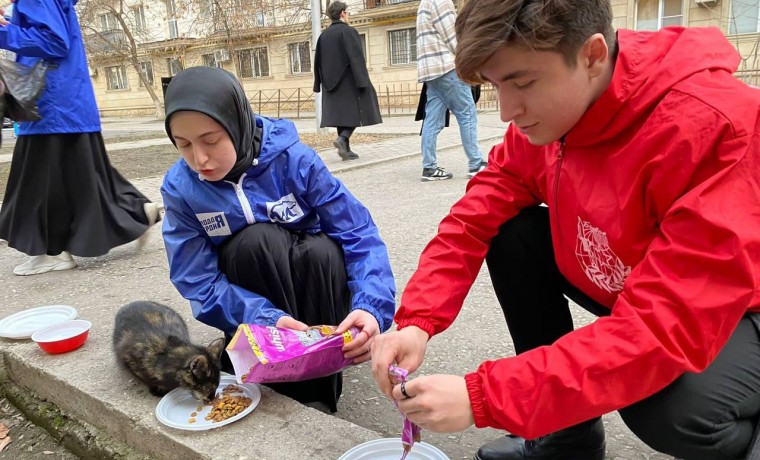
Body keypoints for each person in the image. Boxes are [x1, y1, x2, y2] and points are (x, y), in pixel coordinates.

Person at [370, 0, 760, 458]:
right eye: (497, 87)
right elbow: (470, 220)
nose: (507, 112)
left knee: (671, 407)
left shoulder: (716, 127)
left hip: (735, 306)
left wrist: (488, 398)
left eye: (523, 83)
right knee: (511, 232)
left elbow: (664, 326)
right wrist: (416, 320)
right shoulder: (554, 117)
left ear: (593, 55)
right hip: (635, 281)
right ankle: (566, 433)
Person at [160, 66, 396, 413]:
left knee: (321, 251)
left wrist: (371, 307)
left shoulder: (294, 160)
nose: (200, 159)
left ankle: (319, 388)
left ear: (236, 122)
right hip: (250, 298)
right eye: (183, 145)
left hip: (313, 282)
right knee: (254, 244)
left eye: (210, 140)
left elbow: (357, 233)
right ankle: (267, 379)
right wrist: (265, 318)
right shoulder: (182, 189)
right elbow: (196, 279)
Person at [0, 0, 161, 276]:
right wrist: (13, 20)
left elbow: (54, 42)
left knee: (42, 183)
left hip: (52, 105)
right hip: (65, 102)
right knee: (83, 176)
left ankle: (54, 252)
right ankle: (135, 212)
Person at [415, 0, 486, 182]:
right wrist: (469, 60)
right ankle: (476, 163)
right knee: (467, 112)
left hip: (430, 71)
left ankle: (429, 167)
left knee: (432, 120)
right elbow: (452, 37)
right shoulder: (440, 1)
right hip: (446, 67)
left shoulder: (425, 3)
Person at [313, 1, 382, 161]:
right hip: (349, 81)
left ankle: (345, 149)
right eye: (348, 13)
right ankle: (343, 138)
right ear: (343, 13)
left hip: (330, 84)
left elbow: (317, 60)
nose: (348, 15)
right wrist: (363, 81)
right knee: (360, 110)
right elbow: (356, 57)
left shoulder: (323, 36)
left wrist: (319, 83)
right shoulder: (348, 31)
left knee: (341, 115)